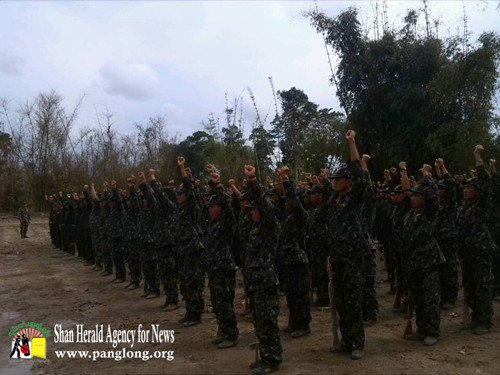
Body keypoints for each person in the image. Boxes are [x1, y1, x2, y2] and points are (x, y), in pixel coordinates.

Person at [325, 130, 370, 360]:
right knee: (341, 301)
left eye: (338, 179)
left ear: (349, 183)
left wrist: (352, 143)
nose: (334, 183)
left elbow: (360, 175)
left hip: (353, 256)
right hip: (338, 257)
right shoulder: (333, 202)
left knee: (353, 301)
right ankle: (346, 340)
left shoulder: (356, 198)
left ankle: (357, 344)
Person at [245, 164, 283, 375]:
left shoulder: (270, 227)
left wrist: (253, 181)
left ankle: (273, 359)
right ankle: (266, 357)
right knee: (259, 322)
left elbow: (265, 206)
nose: (251, 212)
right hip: (256, 281)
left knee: (268, 322)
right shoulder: (256, 229)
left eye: (254, 209)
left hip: (266, 280)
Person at [402, 162, 445, 346]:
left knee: (430, 298)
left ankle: (432, 331)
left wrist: (427, 175)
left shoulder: (430, 213)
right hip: (414, 262)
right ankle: (421, 329)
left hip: (429, 261)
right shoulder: (411, 214)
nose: (413, 198)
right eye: (412, 195)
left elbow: (433, 195)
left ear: (424, 198)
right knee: (417, 298)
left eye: (417, 196)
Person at [456, 145, 497, 335]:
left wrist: (478, 160)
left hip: (481, 251)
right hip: (468, 252)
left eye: (469, 187)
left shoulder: (482, 205)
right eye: (464, 187)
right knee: (471, 287)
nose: (465, 190)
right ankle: (476, 317)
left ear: (477, 191)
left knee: (483, 286)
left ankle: (485, 320)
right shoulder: (464, 208)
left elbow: (487, 183)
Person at [204, 171, 239, 349]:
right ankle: (224, 331)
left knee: (225, 304)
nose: (210, 210)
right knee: (218, 304)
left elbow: (227, 205)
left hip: (224, 269)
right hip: (214, 270)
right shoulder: (213, 224)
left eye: (213, 207)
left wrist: (217, 186)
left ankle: (231, 335)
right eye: (209, 207)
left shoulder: (226, 223)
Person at [279, 166, 312, 338]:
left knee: (300, 296)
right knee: (291, 295)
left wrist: (286, 180)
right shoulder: (289, 217)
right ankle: (294, 322)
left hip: (298, 261)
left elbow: (293, 201)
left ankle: (303, 324)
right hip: (289, 260)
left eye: (289, 202)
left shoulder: (301, 216)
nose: (286, 204)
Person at [176, 156, 205, 327]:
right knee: (185, 283)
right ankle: (189, 310)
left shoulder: (192, 206)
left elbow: (190, 189)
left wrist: (182, 168)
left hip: (192, 250)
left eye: (182, 194)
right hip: (184, 249)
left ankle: (196, 314)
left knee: (193, 283)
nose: (179, 197)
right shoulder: (181, 210)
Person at [434, 158, 459, 310]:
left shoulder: (450, 203)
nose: (439, 190)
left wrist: (443, 168)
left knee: (450, 269)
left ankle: (451, 298)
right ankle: (443, 297)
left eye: (442, 188)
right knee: (441, 270)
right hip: (438, 240)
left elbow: (451, 186)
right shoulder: (439, 204)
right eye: (438, 188)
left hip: (448, 239)